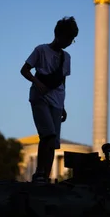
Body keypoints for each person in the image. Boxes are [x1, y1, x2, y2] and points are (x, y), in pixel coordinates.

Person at [20, 16, 79, 182]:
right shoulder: (41, 50)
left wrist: (63, 105)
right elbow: (24, 70)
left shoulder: (66, 57)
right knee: (47, 135)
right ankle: (39, 172)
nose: (69, 42)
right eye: (68, 38)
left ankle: (45, 176)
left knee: (53, 142)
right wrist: (36, 82)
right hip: (40, 97)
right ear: (58, 35)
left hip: (57, 101)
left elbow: (63, 80)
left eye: (72, 40)